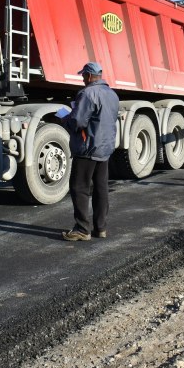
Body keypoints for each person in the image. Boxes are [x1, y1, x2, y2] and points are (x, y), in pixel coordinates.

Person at [61, 62, 120, 241]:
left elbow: (79, 122)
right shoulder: (112, 94)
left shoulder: (87, 93)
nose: (82, 79)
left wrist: (65, 118)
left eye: (83, 76)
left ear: (88, 76)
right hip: (104, 148)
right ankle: (100, 228)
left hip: (87, 149)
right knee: (101, 188)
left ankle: (82, 229)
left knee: (79, 187)